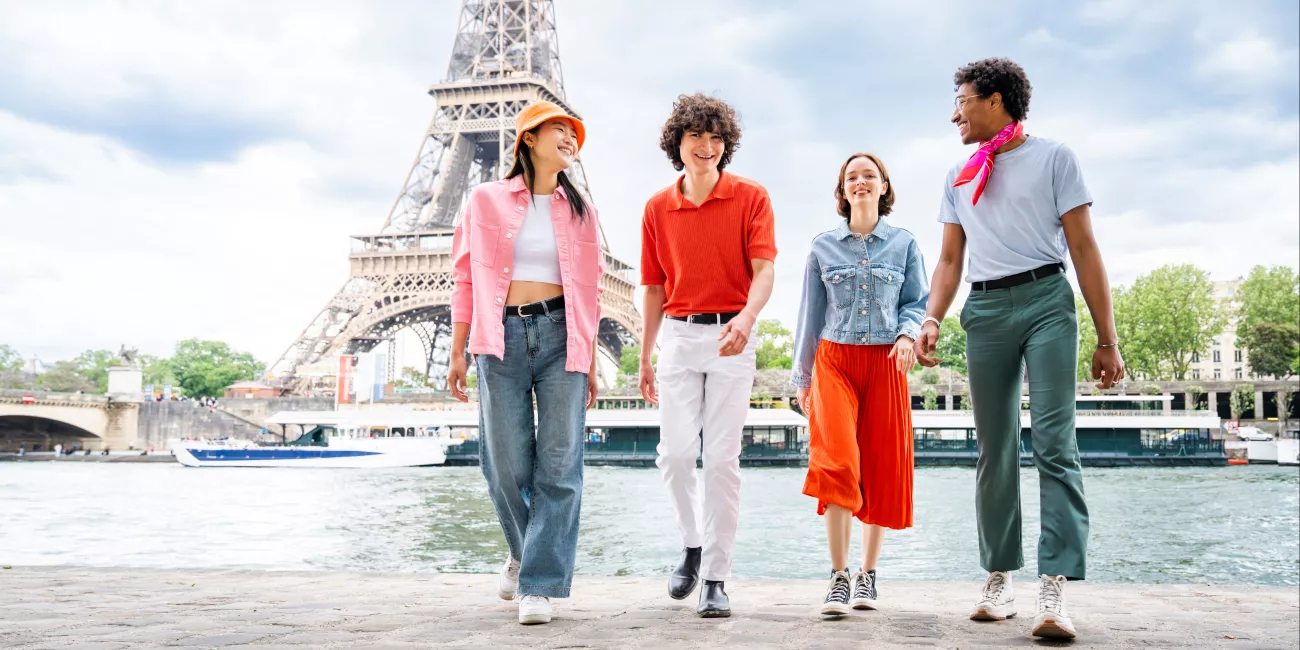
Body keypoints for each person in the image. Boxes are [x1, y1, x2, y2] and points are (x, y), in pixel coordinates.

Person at [914, 58, 1125, 640]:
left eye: (962, 100)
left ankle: (1054, 587)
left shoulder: (1056, 158)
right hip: (983, 311)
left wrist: (1108, 339)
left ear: (997, 100)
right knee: (995, 450)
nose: (954, 112)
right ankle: (1000, 577)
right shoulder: (959, 172)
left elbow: (1083, 247)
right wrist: (931, 318)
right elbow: (951, 259)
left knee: (1056, 444)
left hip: (1047, 302)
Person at [447, 100, 603, 626]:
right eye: (559, 129)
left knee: (560, 465)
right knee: (506, 463)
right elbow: (466, 277)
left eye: (574, 132)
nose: (569, 137)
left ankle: (537, 582)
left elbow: (590, 290)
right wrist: (457, 350)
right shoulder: (484, 200)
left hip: (563, 335)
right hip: (500, 336)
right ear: (528, 140)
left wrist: (592, 359)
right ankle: (524, 552)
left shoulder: (582, 210)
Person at [638, 93, 777, 618]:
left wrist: (746, 318)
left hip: (732, 338)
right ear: (678, 142)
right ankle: (692, 544)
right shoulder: (657, 207)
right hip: (677, 335)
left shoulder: (751, 197)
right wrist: (647, 354)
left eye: (716, 137)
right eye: (696, 135)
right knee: (674, 457)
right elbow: (652, 289)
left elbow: (764, 271)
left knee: (721, 461)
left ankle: (717, 577)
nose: (707, 145)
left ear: (727, 144)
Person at [790, 152, 929, 616]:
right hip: (835, 360)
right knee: (836, 463)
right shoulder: (822, 246)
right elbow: (809, 317)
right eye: (852, 177)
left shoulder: (905, 244)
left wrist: (909, 335)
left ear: (884, 186)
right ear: (842, 190)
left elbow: (917, 301)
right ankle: (838, 576)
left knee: (878, 466)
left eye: (869, 175)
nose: (861, 182)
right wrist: (802, 378)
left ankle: (868, 576)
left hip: (887, 360)